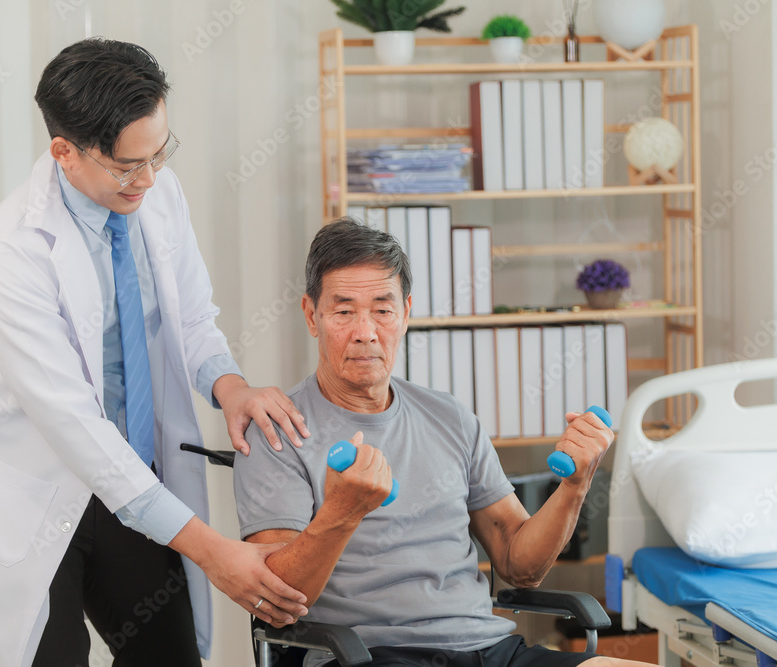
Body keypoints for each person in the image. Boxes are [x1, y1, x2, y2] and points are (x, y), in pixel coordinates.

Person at [0, 39, 311, 667]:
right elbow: (78, 430)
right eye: (126, 165)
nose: (148, 179)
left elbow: (192, 318)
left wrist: (230, 386)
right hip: (34, 494)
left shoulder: (156, 196)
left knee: (167, 656)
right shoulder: (7, 258)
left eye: (159, 153)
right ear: (64, 151)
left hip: (135, 480)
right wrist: (215, 553)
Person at [233, 219, 656, 667]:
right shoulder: (276, 429)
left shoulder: (449, 416)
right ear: (310, 314)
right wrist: (342, 511)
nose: (365, 331)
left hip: (490, 651)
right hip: (365, 656)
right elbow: (276, 600)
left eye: (382, 308)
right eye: (343, 311)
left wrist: (575, 486)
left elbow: (520, 565)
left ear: (406, 313)